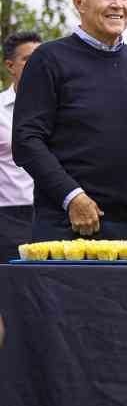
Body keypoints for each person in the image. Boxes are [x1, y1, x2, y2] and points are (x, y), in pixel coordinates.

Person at [14, 0, 127, 240]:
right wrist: (72, 196)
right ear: (79, 2)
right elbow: (27, 141)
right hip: (64, 227)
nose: (118, 4)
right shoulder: (48, 59)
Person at [1, 32, 41, 261]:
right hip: (8, 216)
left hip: (54, 215)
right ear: (10, 66)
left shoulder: (63, 110)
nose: (37, 66)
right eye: (28, 60)